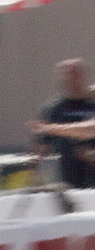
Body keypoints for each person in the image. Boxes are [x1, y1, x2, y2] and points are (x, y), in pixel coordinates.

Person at [31, 59, 95, 188]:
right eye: (68, 73)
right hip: (66, 180)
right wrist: (33, 172)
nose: (72, 77)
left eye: (76, 72)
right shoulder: (54, 109)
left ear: (84, 74)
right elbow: (41, 145)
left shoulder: (92, 104)